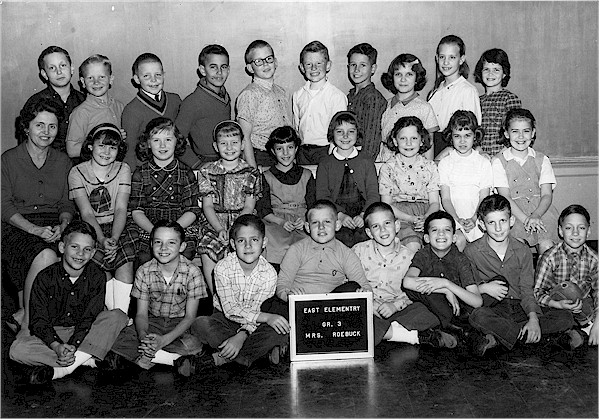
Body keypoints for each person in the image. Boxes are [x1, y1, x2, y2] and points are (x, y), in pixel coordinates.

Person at [9, 220, 128, 385]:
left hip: (83, 331)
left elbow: (89, 317)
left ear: (93, 253)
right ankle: (87, 359)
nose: (80, 254)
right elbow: (39, 321)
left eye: (87, 249)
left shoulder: (96, 276)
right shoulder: (45, 277)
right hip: (53, 333)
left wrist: (73, 343)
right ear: (62, 248)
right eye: (74, 247)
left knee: (118, 317)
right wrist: (56, 346)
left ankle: (64, 368)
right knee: (17, 350)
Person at [466, 195, 579, 357]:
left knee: (565, 317)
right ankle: (534, 336)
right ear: (482, 225)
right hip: (494, 309)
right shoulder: (472, 251)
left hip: (521, 308)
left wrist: (533, 318)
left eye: (503, 221)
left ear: (511, 221)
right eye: (491, 222)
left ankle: (503, 336)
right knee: (478, 316)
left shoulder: (522, 250)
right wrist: (482, 287)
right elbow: (468, 290)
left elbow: (527, 290)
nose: (498, 228)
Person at [2, 97, 75, 332]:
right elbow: (4, 207)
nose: (46, 132)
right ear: (26, 127)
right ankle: (30, 323)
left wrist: (63, 226)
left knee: (72, 251)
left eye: (52, 126)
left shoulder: (63, 161)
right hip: (18, 226)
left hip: (55, 226)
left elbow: (66, 203)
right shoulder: (8, 159)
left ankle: (24, 314)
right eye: (39, 125)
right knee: (45, 256)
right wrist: (34, 230)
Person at [104, 220, 208, 377]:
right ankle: (171, 359)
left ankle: (148, 356)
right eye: (158, 242)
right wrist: (143, 336)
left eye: (171, 243)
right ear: (151, 244)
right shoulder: (144, 271)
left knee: (192, 344)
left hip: (178, 325)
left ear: (182, 247)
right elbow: (141, 314)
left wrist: (164, 340)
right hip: (153, 322)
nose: (163, 248)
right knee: (115, 340)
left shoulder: (192, 272)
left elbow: (190, 317)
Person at [352, 203, 458, 348]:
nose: (383, 230)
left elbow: (414, 292)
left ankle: (382, 331)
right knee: (352, 314)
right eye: (376, 226)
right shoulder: (358, 251)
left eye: (387, 223)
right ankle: (413, 336)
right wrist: (365, 300)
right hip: (368, 308)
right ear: (369, 233)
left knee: (429, 311)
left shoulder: (409, 256)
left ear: (396, 226)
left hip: (397, 310)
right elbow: (349, 281)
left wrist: (395, 306)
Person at [192, 215, 291, 370]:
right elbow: (230, 309)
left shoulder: (269, 273)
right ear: (232, 244)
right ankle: (252, 356)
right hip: (225, 317)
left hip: (255, 323)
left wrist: (242, 334)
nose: (248, 246)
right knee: (200, 324)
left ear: (264, 242)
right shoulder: (222, 268)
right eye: (241, 241)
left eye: (254, 240)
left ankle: (223, 357)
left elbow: (259, 310)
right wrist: (243, 333)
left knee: (279, 330)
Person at [68, 123, 137, 314]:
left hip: (118, 226)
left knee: (124, 262)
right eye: (101, 146)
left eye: (112, 147)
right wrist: (101, 239)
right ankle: (111, 315)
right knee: (99, 267)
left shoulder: (123, 169)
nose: (106, 152)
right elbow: (87, 213)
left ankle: (121, 315)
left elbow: (121, 208)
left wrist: (114, 238)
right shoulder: (77, 172)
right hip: (92, 228)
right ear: (90, 146)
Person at [196, 120, 263, 293]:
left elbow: (249, 207)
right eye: (223, 143)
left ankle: (245, 294)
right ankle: (216, 297)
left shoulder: (251, 172)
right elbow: (208, 206)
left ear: (242, 144)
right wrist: (219, 229)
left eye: (234, 143)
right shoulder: (207, 171)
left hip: (242, 222)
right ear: (216, 146)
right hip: (214, 223)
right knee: (207, 249)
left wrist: (234, 229)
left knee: (247, 245)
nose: (229, 147)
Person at [129, 117, 201, 266]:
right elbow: (137, 210)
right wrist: (156, 232)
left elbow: (192, 210)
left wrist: (173, 231)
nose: (162, 145)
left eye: (168, 139)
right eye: (156, 140)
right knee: (143, 256)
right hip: (148, 225)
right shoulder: (140, 173)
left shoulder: (186, 172)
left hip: (180, 223)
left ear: (177, 141)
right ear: (148, 143)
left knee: (184, 253)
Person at [275, 199, 372, 304]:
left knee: (353, 286)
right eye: (315, 222)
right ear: (307, 227)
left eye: (327, 222)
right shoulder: (296, 249)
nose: (321, 227)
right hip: (301, 304)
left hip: (331, 307)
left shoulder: (346, 253)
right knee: (272, 305)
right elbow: (283, 283)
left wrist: (364, 292)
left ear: (337, 225)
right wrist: (288, 295)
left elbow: (364, 285)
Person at [403, 211, 483, 334]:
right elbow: (407, 282)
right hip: (431, 301)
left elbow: (477, 301)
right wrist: (444, 290)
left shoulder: (460, 258)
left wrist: (446, 284)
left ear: (454, 237)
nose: (441, 234)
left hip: (455, 306)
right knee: (422, 292)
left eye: (447, 230)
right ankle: (456, 328)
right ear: (427, 238)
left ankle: (452, 328)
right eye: (435, 230)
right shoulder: (423, 254)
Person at [492, 108, 559, 255]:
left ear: (533, 133)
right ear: (506, 133)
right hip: (514, 212)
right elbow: (505, 196)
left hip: (541, 210)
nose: (521, 136)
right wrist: (526, 219)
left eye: (526, 131)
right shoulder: (499, 161)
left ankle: (545, 277)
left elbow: (547, 195)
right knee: (517, 249)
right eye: (515, 131)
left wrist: (536, 215)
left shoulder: (542, 160)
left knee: (547, 246)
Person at [534, 204, 598, 346]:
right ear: (560, 231)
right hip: (556, 307)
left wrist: (598, 323)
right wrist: (557, 304)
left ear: (588, 232)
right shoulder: (549, 257)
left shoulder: (594, 259)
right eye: (569, 228)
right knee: (566, 295)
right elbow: (537, 293)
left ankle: (582, 330)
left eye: (581, 228)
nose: (575, 233)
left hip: (583, 306)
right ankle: (581, 330)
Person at [316, 111, 379, 247]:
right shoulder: (325, 163)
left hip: (364, 213)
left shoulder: (366, 161)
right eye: (339, 132)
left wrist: (364, 215)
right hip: (336, 213)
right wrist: (339, 215)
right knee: (340, 239)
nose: (345, 136)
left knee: (365, 238)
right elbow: (322, 196)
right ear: (332, 134)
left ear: (358, 134)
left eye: (351, 131)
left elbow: (373, 193)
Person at [379, 116, 440, 251]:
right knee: (413, 245)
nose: (408, 143)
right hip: (399, 215)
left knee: (438, 244)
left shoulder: (430, 166)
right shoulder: (388, 168)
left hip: (426, 213)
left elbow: (435, 202)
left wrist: (426, 218)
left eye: (414, 138)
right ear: (395, 141)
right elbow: (386, 204)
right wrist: (410, 218)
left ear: (422, 140)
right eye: (403, 139)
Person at [256, 126, 315, 265]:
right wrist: (281, 222)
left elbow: (313, 205)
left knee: (308, 246)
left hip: (302, 222)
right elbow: (263, 210)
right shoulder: (266, 176)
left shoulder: (306, 175)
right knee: (272, 243)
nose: (285, 153)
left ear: (296, 149)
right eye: (279, 148)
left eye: (289, 147)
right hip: (276, 223)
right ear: (273, 151)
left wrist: (306, 220)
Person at [438, 110, 492, 251]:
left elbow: (484, 197)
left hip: (477, 218)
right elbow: (445, 199)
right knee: (458, 241)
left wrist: (474, 218)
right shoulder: (446, 163)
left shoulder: (483, 163)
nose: (462, 141)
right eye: (457, 136)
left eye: (467, 135)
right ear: (451, 137)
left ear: (475, 136)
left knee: (480, 251)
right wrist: (456, 219)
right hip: (453, 218)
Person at [236, 40, 292, 168]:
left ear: (275, 62)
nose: (265, 64)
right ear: (250, 68)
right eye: (258, 61)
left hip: (283, 155)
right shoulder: (249, 94)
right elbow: (245, 137)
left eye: (269, 59)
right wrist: (252, 169)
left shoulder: (281, 92)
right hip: (261, 156)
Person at [121, 53, 182, 171]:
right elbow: (129, 151)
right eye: (146, 76)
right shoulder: (131, 110)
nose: (153, 80)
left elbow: (181, 138)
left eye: (158, 75)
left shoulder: (175, 100)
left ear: (164, 75)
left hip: (173, 165)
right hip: (146, 170)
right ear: (137, 79)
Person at [21, 46, 85, 153]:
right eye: (52, 68)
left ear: (71, 68)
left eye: (63, 65)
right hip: (49, 162)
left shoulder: (84, 100)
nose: (59, 72)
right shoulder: (35, 102)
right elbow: (26, 142)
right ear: (44, 74)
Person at [176, 44, 231, 169]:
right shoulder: (192, 102)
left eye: (223, 67)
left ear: (228, 69)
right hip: (206, 161)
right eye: (213, 67)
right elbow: (176, 142)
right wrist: (197, 164)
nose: (219, 72)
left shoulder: (225, 97)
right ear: (202, 70)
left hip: (228, 157)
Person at [293, 40, 347, 165]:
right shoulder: (298, 95)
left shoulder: (336, 96)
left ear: (328, 65)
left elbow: (339, 129)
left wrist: (334, 154)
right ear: (302, 68)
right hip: (302, 151)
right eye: (308, 64)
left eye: (318, 63)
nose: (314, 68)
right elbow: (296, 125)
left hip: (325, 151)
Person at [427, 35, 481, 158]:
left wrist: (442, 156)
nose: (446, 62)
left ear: (461, 59)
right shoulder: (434, 92)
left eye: (452, 57)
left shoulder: (467, 91)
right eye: (442, 57)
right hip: (433, 146)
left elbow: (470, 132)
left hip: (455, 150)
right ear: (437, 58)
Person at [379, 53, 438, 161]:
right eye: (398, 74)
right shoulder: (384, 105)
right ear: (392, 77)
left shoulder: (424, 108)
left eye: (409, 74)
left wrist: (428, 169)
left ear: (417, 78)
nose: (403, 79)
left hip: (413, 168)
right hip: (386, 165)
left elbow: (429, 144)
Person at [66, 54, 125, 160]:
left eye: (101, 77)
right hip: (93, 170)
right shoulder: (81, 112)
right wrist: (99, 143)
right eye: (90, 78)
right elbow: (71, 150)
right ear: (83, 82)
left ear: (110, 79)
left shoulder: (120, 107)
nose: (96, 82)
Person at [474, 48, 521, 155]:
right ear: (480, 72)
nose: (490, 74)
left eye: (496, 70)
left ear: (504, 74)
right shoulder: (476, 100)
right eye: (486, 69)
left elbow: (516, 129)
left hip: (504, 154)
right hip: (480, 155)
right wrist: (479, 152)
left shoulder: (509, 98)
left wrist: (501, 155)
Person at [346, 43, 387, 162]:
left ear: (373, 68)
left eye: (363, 65)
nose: (356, 70)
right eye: (353, 65)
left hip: (362, 162)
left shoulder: (373, 98)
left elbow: (371, 142)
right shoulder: (349, 96)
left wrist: (362, 167)